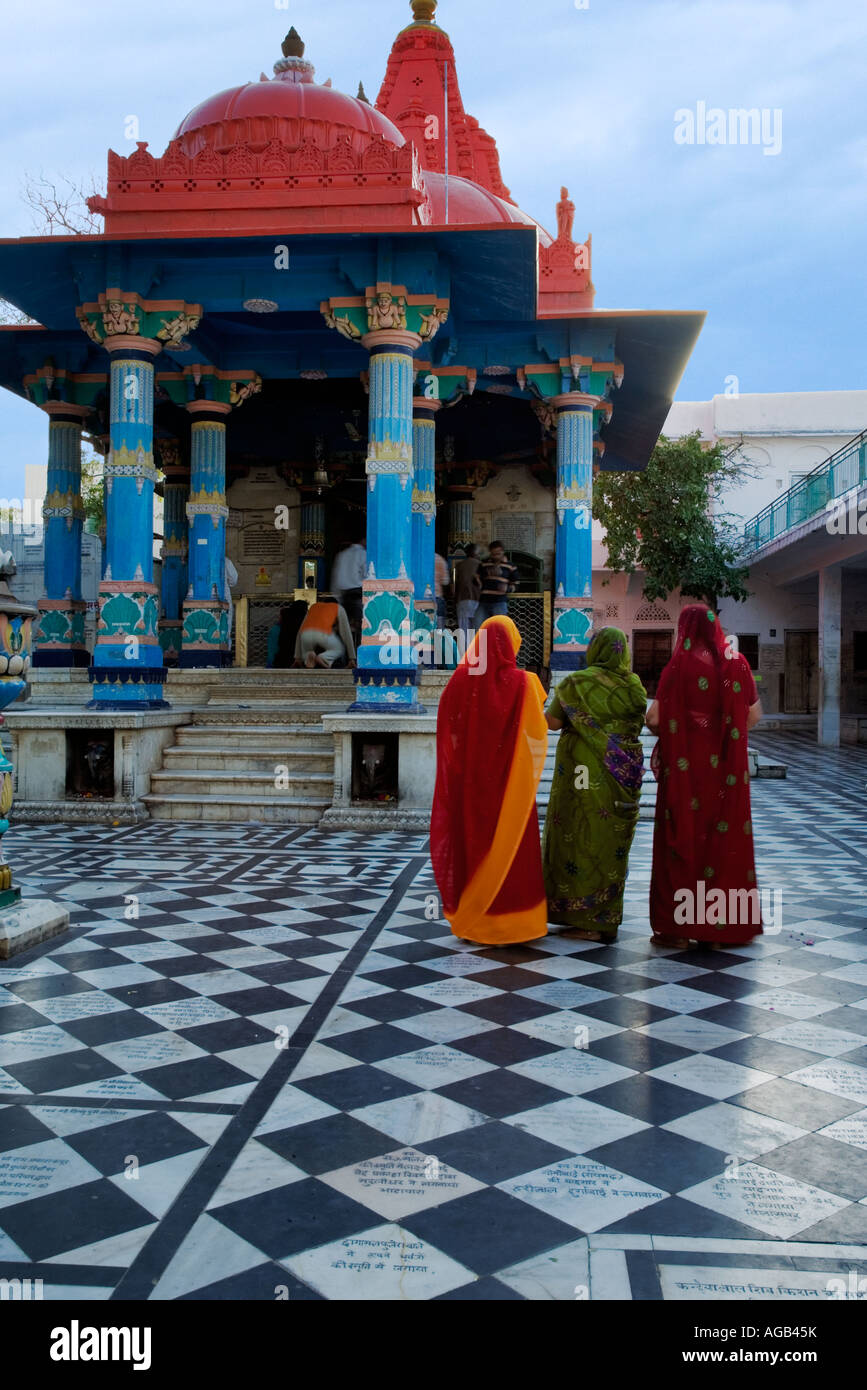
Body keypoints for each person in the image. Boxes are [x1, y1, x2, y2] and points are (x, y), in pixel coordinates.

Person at [647, 604, 763, 948]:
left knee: (681, 837)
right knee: (722, 841)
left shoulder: (677, 667)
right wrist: (721, 735)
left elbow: (654, 720)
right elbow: (753, 716)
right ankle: (720, 928)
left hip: (685, 773)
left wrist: (683, 733)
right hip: (724, 772)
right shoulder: (737, 664)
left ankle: (679, 930)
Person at [430, 615, 548, 945]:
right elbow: (538, 729)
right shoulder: (526, 683)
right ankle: (518, 924)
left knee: (473, 844)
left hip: (470, 785)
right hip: (511, 786)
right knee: (512, 846)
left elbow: (448, 727)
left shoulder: (459, 681)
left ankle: (477, 919)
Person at [542, 628, 648, 941]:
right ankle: (604, 917)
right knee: (609, 842)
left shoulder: (577, 683)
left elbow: (552, 722)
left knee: (577, 835)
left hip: (582, 772)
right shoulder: (634, 685)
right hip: (623, 773)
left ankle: (579, 917)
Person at [294, 595, 356, 669]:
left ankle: (308, 659)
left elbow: (300, 632)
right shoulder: (338, 608)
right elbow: (346, 634)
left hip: (306, 635)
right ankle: (324, 658)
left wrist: (297, 657)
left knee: (307, 651)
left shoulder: (314, 607)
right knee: (338, 649)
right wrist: (352, 658)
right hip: (323, 635)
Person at [331, 536, 366, 644]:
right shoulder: (363, 553)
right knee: (361, 627)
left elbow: (335, 577)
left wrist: (337, 598)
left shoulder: (341, 555)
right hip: (357, 594)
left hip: (344, 596)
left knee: (344, 628)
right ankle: (357, 655)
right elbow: (367, 574)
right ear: (363, 540)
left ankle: (345, 657)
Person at [476, 541, 519, 624]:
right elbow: (477, 581)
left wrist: (507, 588)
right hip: (483, 601)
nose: (495, 556)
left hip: (499, 602)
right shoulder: (484, 564)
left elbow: (516, 584)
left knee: (499, 628)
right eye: (493, 554)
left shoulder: (511, 566)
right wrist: (477, 581)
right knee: (480, 629)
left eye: (498, 554)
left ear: (503, 552)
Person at [267, 602, 309, 669]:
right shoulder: (304, 628)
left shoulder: (279, 629)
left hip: (282, 662)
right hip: (299, 663)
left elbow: (273, 650)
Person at [454, 544, 482, 635]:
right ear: (476, 553)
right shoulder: (481, 565)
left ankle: (466, 649)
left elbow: (453, 586)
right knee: (478, 629)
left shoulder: (459, 566)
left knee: (464, 630)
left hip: (462, 599)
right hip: (478, 600)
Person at [434, 552, 450, 628]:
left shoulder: (415, 556)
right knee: (439, 630)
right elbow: (445, 582)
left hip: (416, 599)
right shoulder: (440, 559)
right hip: (437, 597)